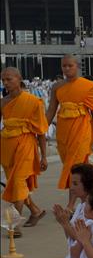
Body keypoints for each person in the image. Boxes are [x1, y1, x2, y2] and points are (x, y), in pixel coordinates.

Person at [27, 164, 93, 258]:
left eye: (75, 183)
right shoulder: (80, 206)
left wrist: (65, 223)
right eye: (71, 183)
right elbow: (72, 240)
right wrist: (64, 224)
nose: (71, 188)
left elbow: (84, 241)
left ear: (88, 185)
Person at [46, 54, 93, 202]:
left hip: (81, 130)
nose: (66, 69)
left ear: (77, 66)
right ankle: (89, 197)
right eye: (64, 66)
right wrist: (40, 130)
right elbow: (51, 111)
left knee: (74, 168)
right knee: (78, 168)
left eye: (70, 65)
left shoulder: (88, 86)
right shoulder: (57, 86)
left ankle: (71, 205)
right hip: (63, 132)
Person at [1, 67, 48, 226]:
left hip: (26, 145)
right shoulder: (3, 102)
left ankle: (15, 224)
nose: (5, 83)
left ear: (19, 79)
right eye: (3, 80)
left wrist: (44, 156)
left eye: (9, 79)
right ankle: (36, 211)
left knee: (19, 182)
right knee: (14, 184)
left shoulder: (33, 101)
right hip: (6, 147)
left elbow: (41, 131)